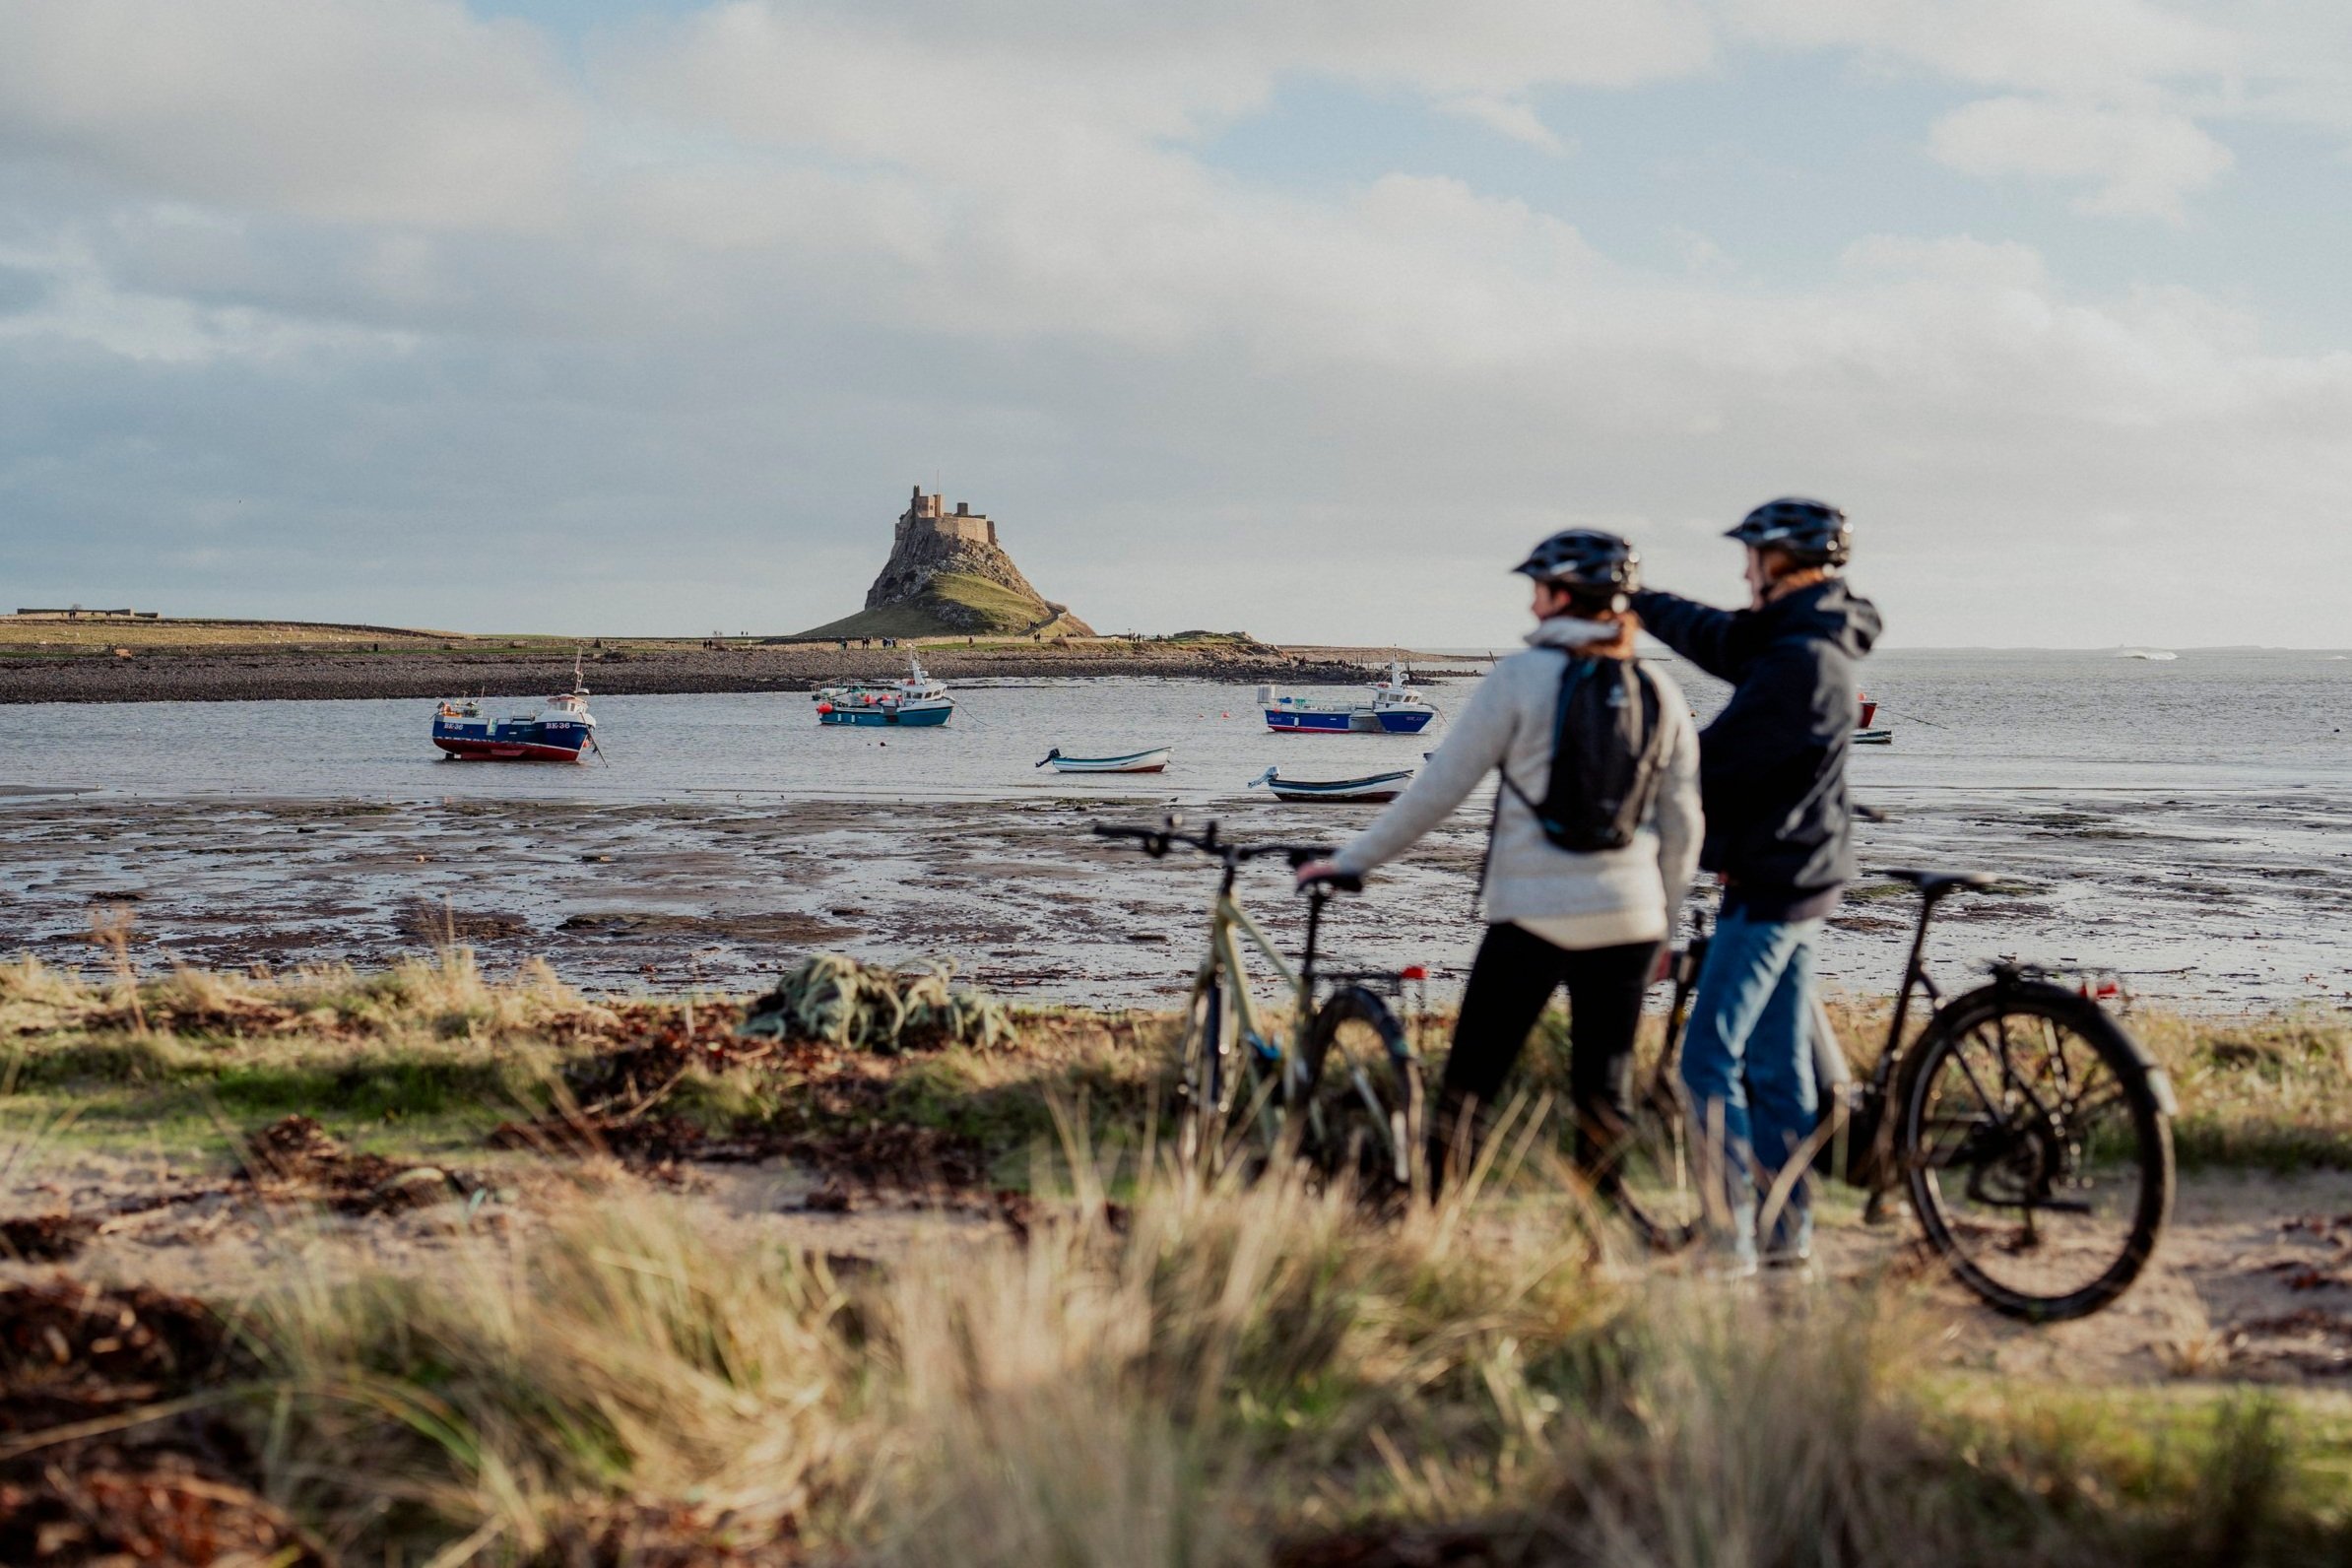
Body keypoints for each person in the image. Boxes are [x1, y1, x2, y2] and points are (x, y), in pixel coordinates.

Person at [1297, 530, 1700, 1197]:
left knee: (1471, 1087)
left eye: (1539, 589)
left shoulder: (1519, 678)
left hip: (1534, 914)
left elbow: (1438, 790)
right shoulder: (1659, 690)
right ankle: (1603, 1228)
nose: (1532, 604)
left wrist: (1352, 860)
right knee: (1604, 1093)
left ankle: (1435, 1216)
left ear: (1562, 596)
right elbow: (1684, 823)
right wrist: (1666, 922)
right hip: (1631, 919)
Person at [1626, 497, 1882, 1274]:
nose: (1743, 572)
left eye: (1752, 557)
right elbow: (1719, 636)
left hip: (1773, 887)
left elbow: (1714, 764)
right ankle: (1786, 1234)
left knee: (1706, 1062)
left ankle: (1730, 1233)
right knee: (1776, 1066)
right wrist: (1641, 601)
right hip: (1796, 877)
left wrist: (1623, 779)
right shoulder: (1797, 635)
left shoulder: (1801, 662)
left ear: (1783, 563)